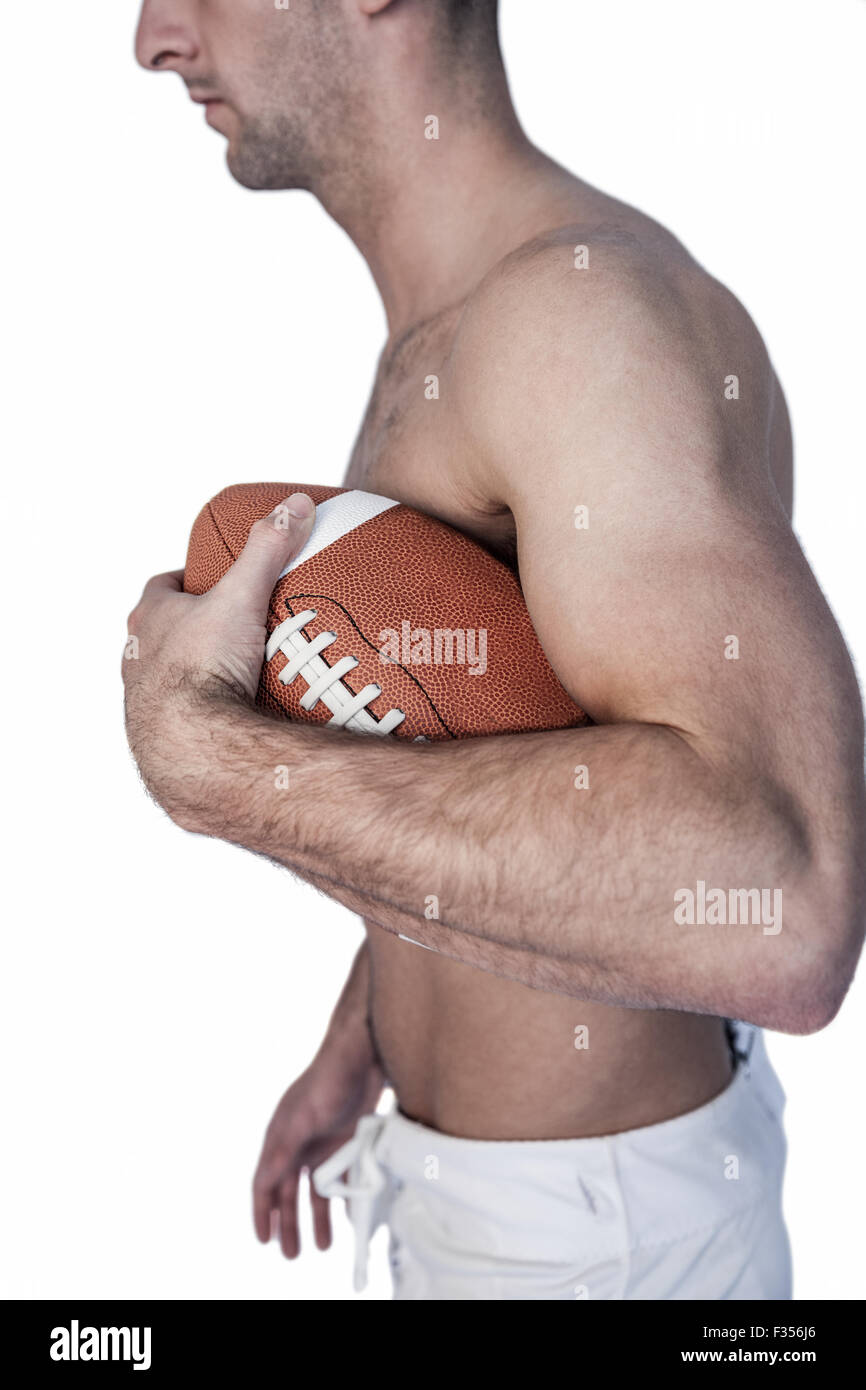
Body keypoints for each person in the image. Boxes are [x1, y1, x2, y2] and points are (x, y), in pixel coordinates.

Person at [125, 0, 865, 1300]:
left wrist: (222, 769)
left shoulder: (581, 323)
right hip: (487, 1202)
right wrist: (368, 1030)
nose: (154, 37)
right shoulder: (467, 324)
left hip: (610, 1249)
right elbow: (527, 745)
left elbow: (784, 906)